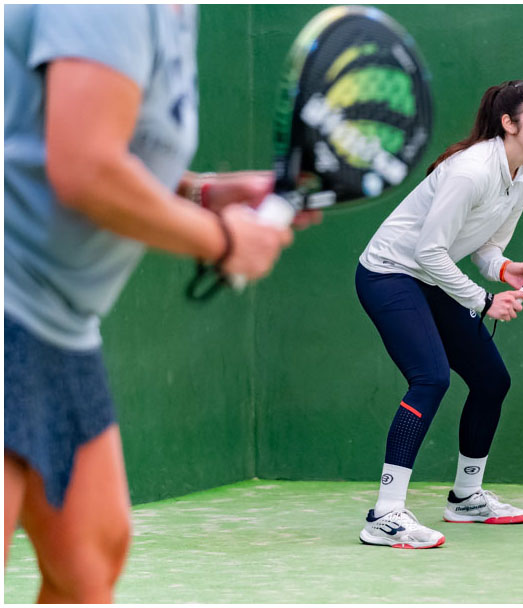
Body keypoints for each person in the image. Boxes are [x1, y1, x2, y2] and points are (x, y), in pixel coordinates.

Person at [3, 5, 318, 602]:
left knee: (89, 564)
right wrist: (224, 241)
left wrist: (203, 194)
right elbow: (85, 166)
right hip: (10, 300)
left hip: (59, 323)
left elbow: (105, 137)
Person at [355, 80, 523, 548]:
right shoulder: (471, 171)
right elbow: (428, 250)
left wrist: (504, 269)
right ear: (509, 123)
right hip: (388, 273)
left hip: (428, 276)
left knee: (491, 380)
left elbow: (485, 246)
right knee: (430, 378)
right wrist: (484, 301)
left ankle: (466, 498)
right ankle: (384, 514)